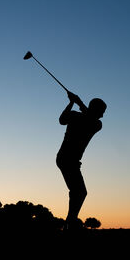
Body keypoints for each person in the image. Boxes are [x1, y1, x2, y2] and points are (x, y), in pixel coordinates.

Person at [56, 91, 106, 230]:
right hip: (66, 159)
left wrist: (75, 102)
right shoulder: (80, 117)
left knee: (78, 191)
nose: (102, 115)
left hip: (68, 160)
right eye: (102, 111)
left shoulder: (96, 124)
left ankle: (70, 221)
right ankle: (70, 221)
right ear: (95, 110)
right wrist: (73, 102)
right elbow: (62, 120)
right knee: (79, 192)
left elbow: (87, 118)